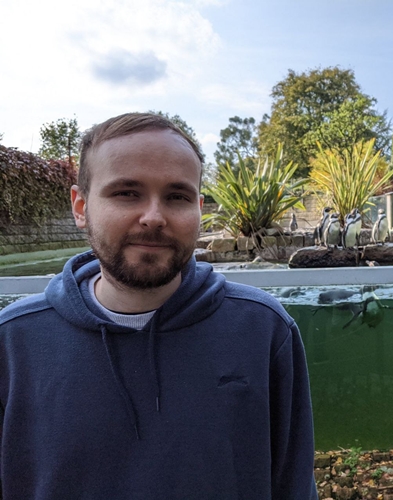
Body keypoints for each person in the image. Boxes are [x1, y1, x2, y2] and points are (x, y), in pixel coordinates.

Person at [0, 112, 317, 500]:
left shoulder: (264, 330)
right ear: (81, 207)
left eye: (176, 197)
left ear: (199, 209)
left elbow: (293, 485)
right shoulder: (13, 342)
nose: (153, 217)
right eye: (126, 193)